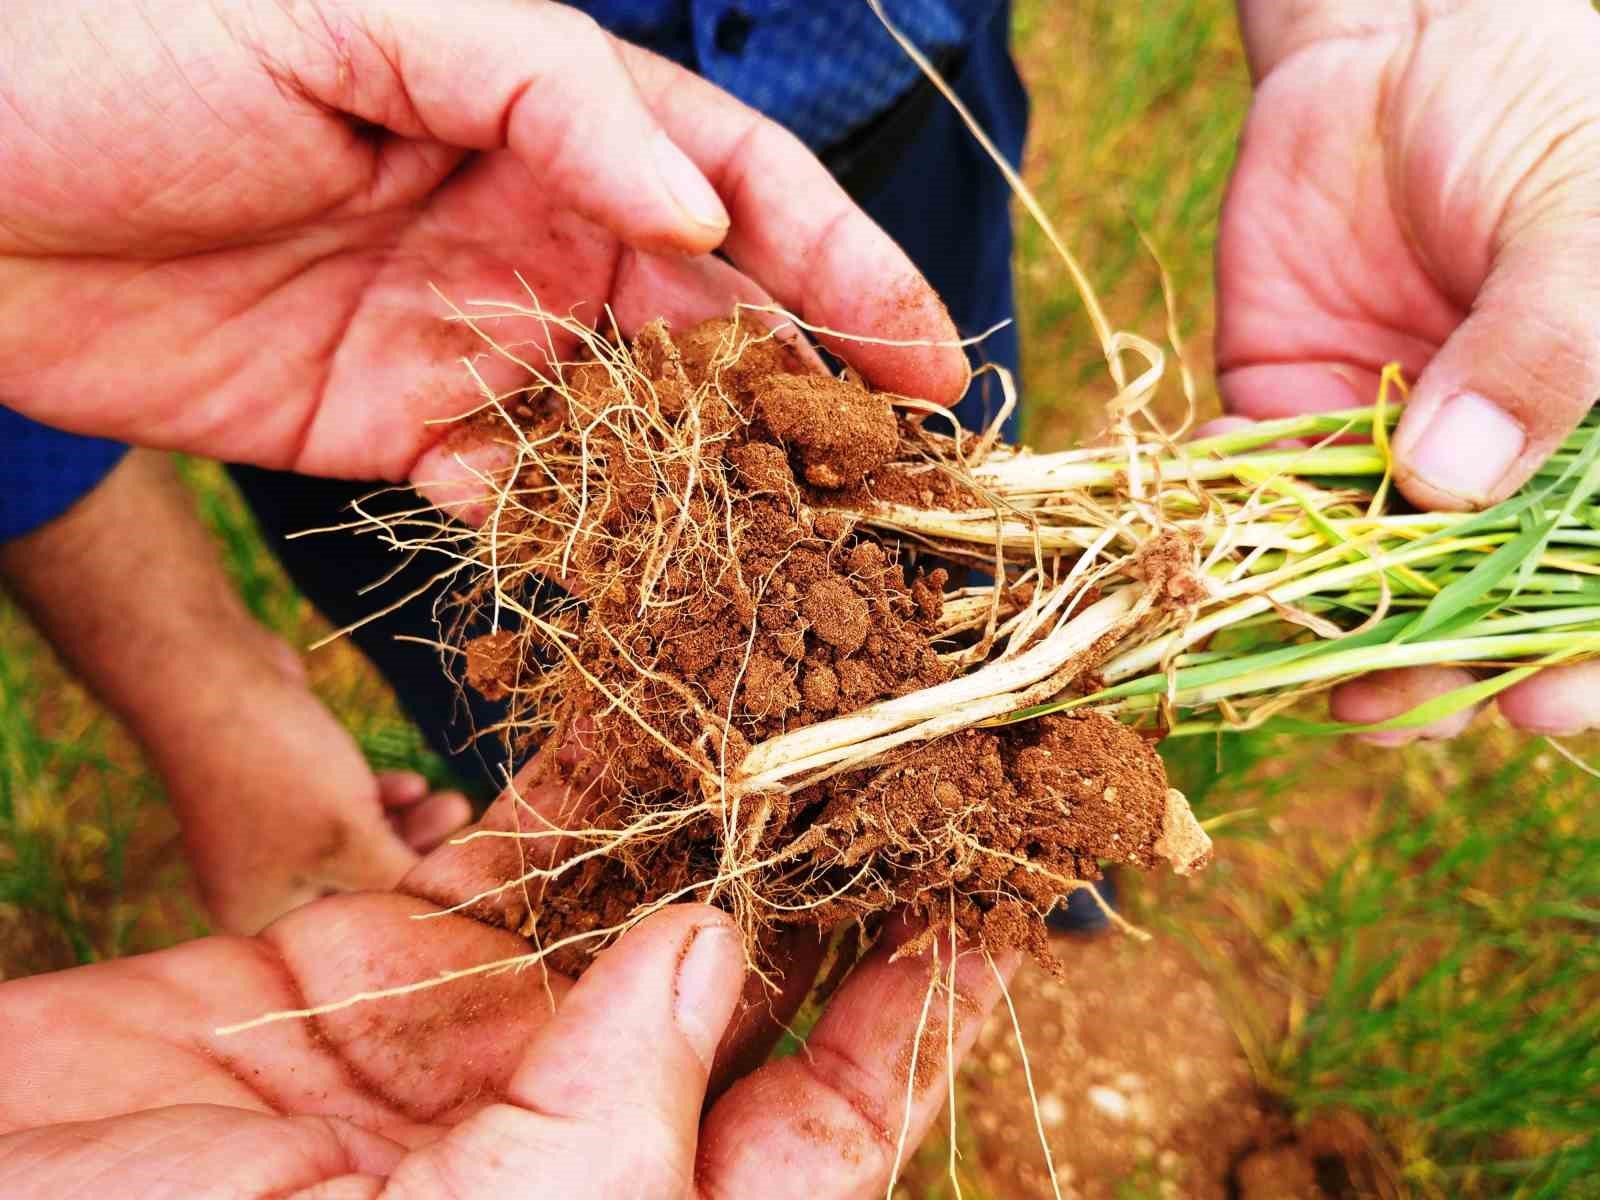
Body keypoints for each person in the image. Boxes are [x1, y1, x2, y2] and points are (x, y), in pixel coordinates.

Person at [2, 0, 1598, 1193]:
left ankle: (1014, 842)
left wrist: (1382, 35)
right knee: (526, 630)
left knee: (928, 458)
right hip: (344, 193)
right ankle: (737, 838)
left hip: (863, 71)